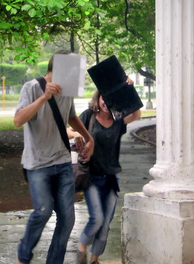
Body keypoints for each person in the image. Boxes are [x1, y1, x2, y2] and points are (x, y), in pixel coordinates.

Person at [14, 50, 95, 264]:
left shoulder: (66, 91)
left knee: (67, 220)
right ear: (56, 67)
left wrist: (88, 138)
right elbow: (18, 120)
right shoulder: (31, 87)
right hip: (37, 164)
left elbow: (70, 117)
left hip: (62, 162)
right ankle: (23, 254)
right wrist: (43, 98)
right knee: (43, 211)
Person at [67, 81, 141, 264]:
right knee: (97, 218)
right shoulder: (88, 116)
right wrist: (77, 135)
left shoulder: (118, 120)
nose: (105, 103)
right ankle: (82, 247)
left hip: (111, 176)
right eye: (103, 98)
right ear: (98, 98)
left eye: (109, 99)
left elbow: (137, 113)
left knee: (106, 224)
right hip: (91, 175)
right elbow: (68, 129)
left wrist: (128, 88)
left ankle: (94, 260)